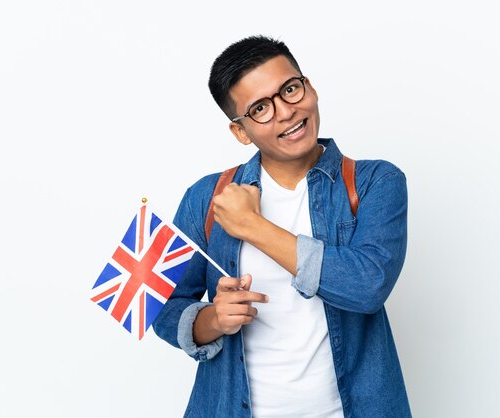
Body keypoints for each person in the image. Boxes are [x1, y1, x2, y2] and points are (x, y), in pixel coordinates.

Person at [153, 35, 411, 417]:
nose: (286, 112)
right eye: (260, 108)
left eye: (290, 89)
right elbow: (160, 305)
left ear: (310, 87)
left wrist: (252, 227)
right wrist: (212, 319)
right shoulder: (207, 197)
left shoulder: (376, 181)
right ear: (240, 131)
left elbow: (367, 286)